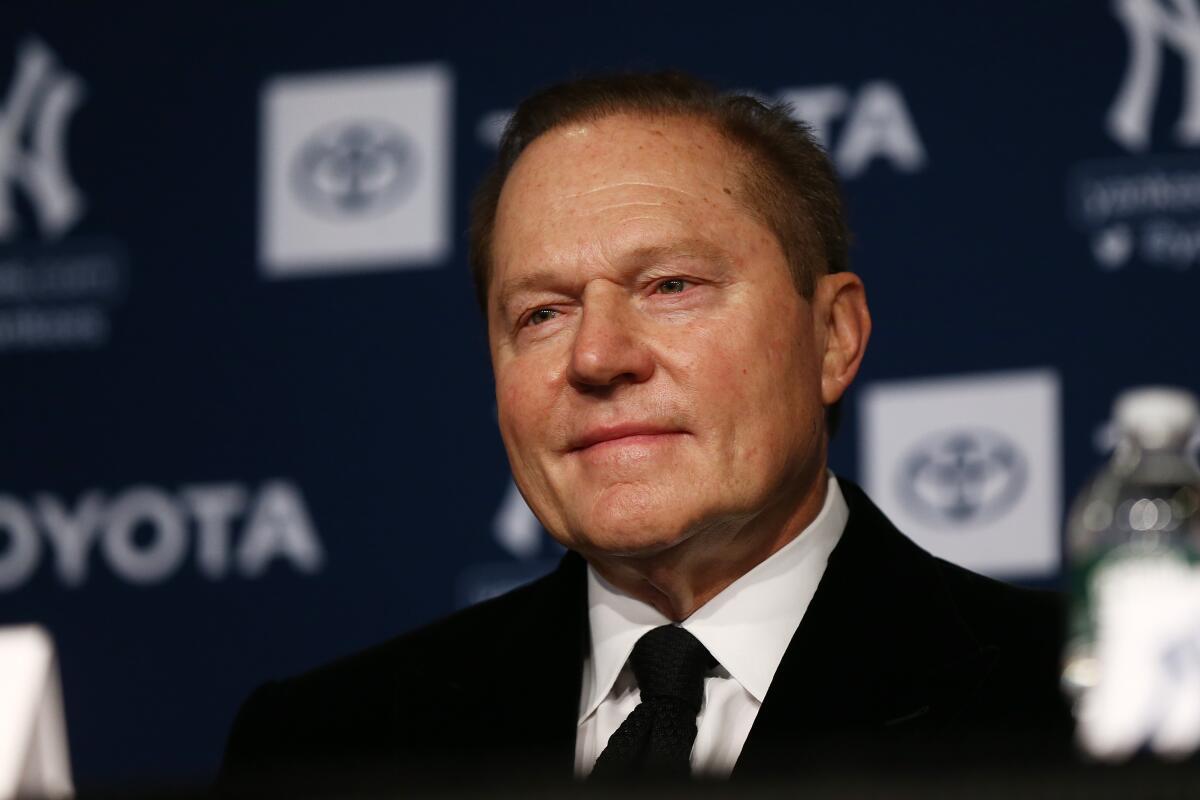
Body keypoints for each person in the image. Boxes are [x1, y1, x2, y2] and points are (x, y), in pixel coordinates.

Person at [219, 71, 1071, 792]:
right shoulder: (320, 751)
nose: (596, 355)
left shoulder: (1076, 708)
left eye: (669, 286)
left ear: (833, 336)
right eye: (542, 313)